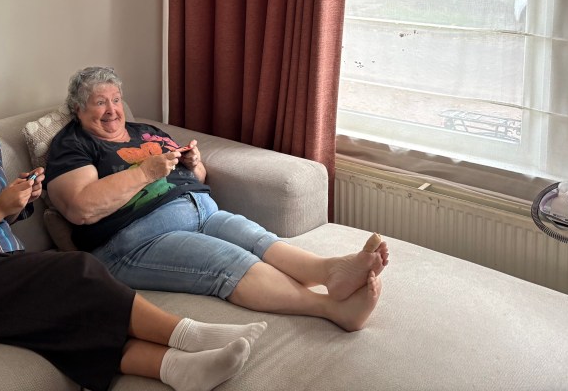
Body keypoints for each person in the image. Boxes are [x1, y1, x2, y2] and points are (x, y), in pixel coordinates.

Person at [0, 59, 267, 391]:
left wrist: (20, 200)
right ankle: (189, 334)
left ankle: (176, 369)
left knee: (71, 319)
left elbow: (1, 216)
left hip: (4, 267)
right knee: (79, 268)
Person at [44, 66, 389, 332]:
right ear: (77, 108)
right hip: (134, 239)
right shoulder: (72, 145)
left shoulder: (144, 131)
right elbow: (80, 207)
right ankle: (331, 309)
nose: (112, 110)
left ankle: (330, 272)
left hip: (202, 211)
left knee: (257, 238)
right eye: (100, 102)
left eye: (116, 100)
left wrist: (194, 165)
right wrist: (146, 172)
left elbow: (197, 179)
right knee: (229, 261)